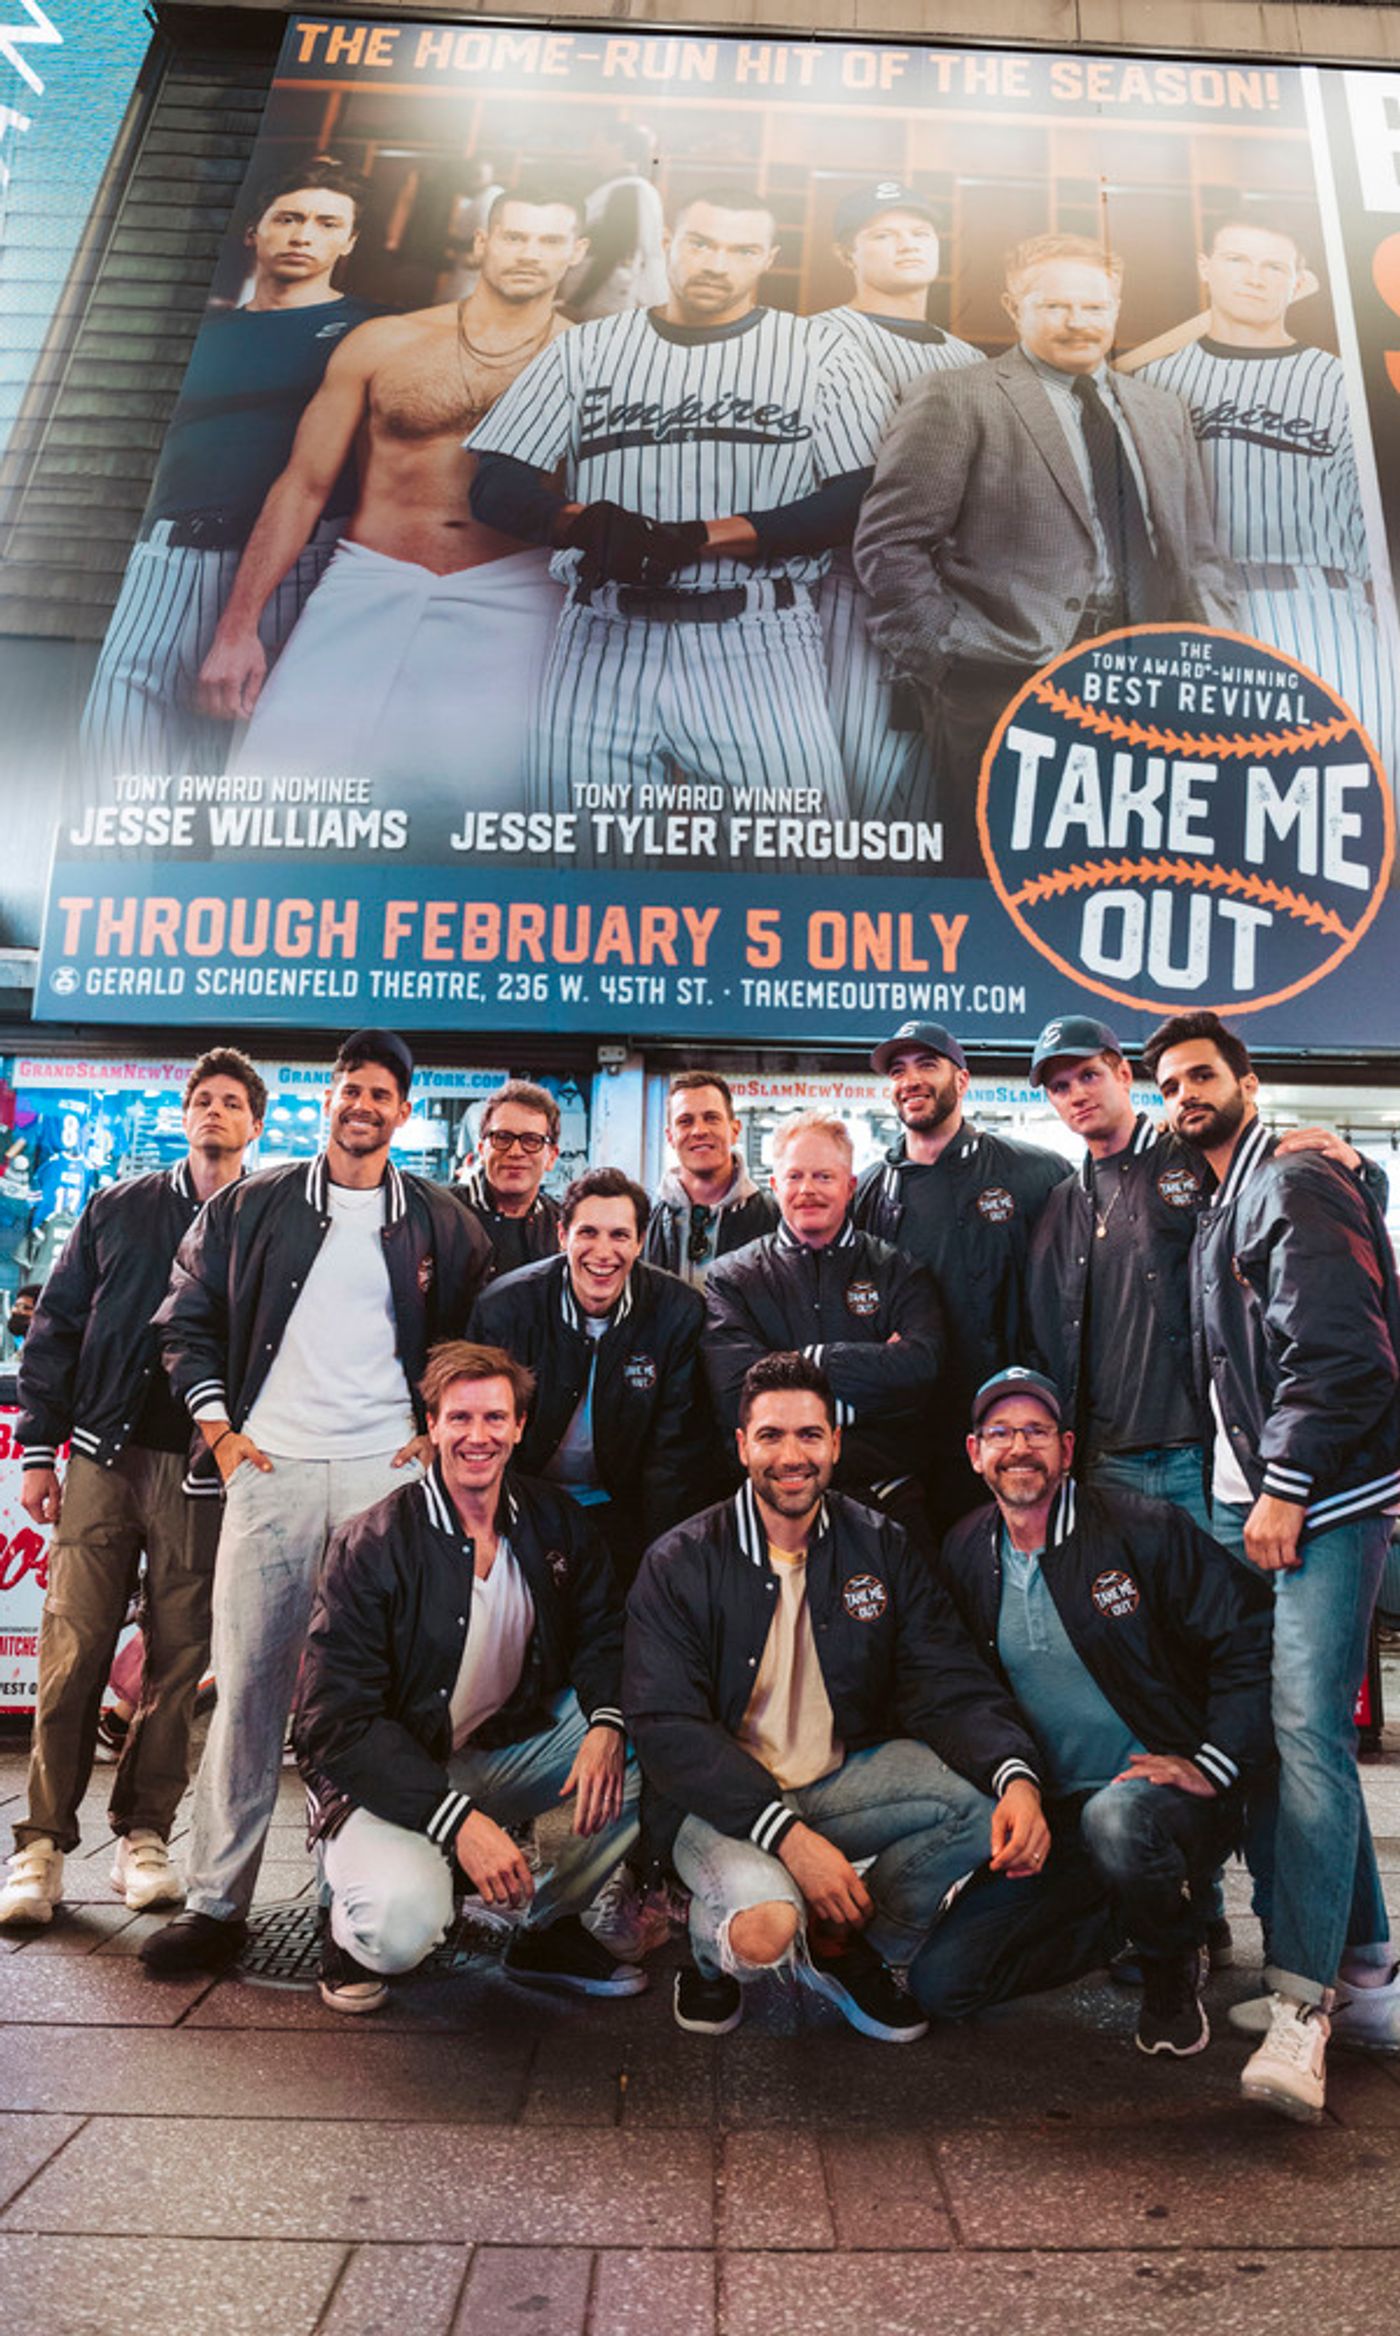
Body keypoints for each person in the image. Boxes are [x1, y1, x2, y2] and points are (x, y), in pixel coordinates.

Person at [139, 1030, 490, 1977]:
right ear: (326, 1100)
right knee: (251, 1685)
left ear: (404, 1111)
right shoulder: (253, 1206)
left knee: (372, 1696)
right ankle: (217, 1902)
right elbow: (185, 1320)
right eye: (348, 1089)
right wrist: (220, 1431)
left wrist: (431, 1429)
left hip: (387, 1477)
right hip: (274, 1467)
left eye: (380, 1092)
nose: (361, 1104)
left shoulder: (442, 1221)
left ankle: (349, 1902)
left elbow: (470, 1335)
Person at [624, 1351, 1048, 2040]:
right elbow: (666, 1727)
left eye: (809, 1435)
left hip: (834, 1781)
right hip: (717, 1807)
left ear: (836, 1443)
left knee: (982, 1805)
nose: (792, 1456)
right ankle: (709, 1958)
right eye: (771, 1436)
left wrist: (1017, 1774)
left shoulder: (880, 1544)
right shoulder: (680, 1560)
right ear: (741, 1446)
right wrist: (786, 1838)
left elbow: (945, 1675)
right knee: (765, 1930)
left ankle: (849, 1947)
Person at [1143, 1009, 1400, 2120]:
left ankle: (1303, 2008)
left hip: (1320, 1500)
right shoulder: (1243, 1183)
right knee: (1292, 1742)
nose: (1182, 1092)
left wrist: (1286, 1483)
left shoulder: (1287, 1174)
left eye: (1201, 1072)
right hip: (1264, 1498)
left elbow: (1343, 1351)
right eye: (1169, 1081)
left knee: (1303, 1739)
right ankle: (1370, 1976)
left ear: (1246, 1080)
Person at [468, 189, 880, 833]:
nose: (717, 263)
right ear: (669, 243)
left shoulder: (820, 352)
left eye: (741, 249)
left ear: (768, 258)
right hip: (601, 637)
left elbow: (857, 498)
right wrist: (582, 524)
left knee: (801, 866)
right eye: (701, 243)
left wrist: (705, 537)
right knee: (579, 878)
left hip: (759, 642)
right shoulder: (586, 348)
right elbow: (495, 483)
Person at [197, 186, 588, 831]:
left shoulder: (593, 360)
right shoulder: (385, 341)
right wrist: (237, 629)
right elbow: (302, 485)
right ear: (484, 242)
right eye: (514, 236)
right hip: (369, 575)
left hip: (518, 591)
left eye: (549, 240)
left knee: (474, 807)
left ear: (576, 253)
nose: (530, 254)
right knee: (274, 795)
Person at [915, 1368, 1273, 2057]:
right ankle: (1134, 1914)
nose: (1019, 1448)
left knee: (1118, 1820)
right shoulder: (965, 1548)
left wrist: (1216, 1761)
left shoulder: (1142, 1528)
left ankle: (1170, 1958)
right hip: (1059, 1813)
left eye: (1036, 1432)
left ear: (1068, 1447)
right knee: (943, 1984)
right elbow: (954, 1688)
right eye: (1001, 1433)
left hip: (1163, 1799)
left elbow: (1249, 1633)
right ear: (973, 1452)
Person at [853, 232, 1238, 870]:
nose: (1078, 323)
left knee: (1121, 870)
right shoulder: (957, 395)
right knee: (996, 869)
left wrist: (1216, 658)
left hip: (1146, 679)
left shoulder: (1162, 411)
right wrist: (943, 656)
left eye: (1094, 307)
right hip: (998, 676)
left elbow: (1195, 554)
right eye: (1055, 306)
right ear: (1014, 307)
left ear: (1116, 307)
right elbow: (890, 543)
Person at [295, 1342, 644, 2012]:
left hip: (499, 1747)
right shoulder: (373, 1543)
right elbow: (333, 1721)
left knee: (645, 1737)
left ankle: (546, 1927)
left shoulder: (553, 1521)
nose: (476, 1436)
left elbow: (606, 1629)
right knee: (397, 1933)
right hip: (388, 1768)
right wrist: (456, 1820)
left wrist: (606, 1721)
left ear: (518, 1427)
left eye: (493, 1418)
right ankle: (341, 1911)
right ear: (431, 1426)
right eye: (459, 1419)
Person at [0, 1052, 266, 1928]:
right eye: (202, 1101)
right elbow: (57, 1326)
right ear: (185, 1116)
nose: (214, 1113)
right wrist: (38, 1449)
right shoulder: (120, 1206)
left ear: (255, 1126)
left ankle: (144, 1835)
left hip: (202, 1471)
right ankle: (39, 1845)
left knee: (181, 1662)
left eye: (231, 1103)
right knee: (73, 1652)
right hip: (102, 1458)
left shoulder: (267, 1221)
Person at [80, 157, 372, 779]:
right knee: (112, 768)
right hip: (163, 560)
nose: (302, 235)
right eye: (288, 218)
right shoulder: (204, 333)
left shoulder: (370, 331)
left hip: (291, 566)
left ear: (349, 241)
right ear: (254, 232)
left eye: (326, 223)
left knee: (228, 781)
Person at [1129, 218, 1398, 787]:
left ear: (1297, 281)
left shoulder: (1345, 383)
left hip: (1323, 609)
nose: (1254, 279)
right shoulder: (1152, 383)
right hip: (1190, 611)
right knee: (1205, 797)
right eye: (1237, 261)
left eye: (1273, 267)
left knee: (1349, 788)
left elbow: (1374, 521)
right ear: (1206, 267)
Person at [855, 1020, 1068, 1530]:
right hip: (904, 1440)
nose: (911, 1080)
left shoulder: (1036, 1173)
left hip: (1007, 1434)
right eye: (899, 1070)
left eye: (927, 1065)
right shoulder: (867, 1191)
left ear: (963, 1080)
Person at [821, 181, 983, 820]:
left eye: (919, 233)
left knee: (924, 797)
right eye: (882, 234)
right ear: (847, 254)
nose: (905, 245)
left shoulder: (967, 358)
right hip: (847, 590)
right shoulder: (814, 340)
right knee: (852, 786)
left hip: (950, 598)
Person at [468, 1167, 712, 1587]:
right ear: (563, 1236)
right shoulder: (504, 1308)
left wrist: (660, 1560)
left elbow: (673, 1453)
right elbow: (482, 1428)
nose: (603, 1252)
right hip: (523, 1504)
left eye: (619, 1235)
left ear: (640, 1242)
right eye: (588, 1233)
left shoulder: (678, 1311)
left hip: (623, 1508)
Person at [703, 1113, 943, 1539]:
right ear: (775, 1187)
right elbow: (736, 1393)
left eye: (823, 1176)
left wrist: (805, 1361)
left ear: (850, 1187)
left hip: (887, 1499)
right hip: (775, 1501)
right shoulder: (732, 1279)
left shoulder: (899, 1270)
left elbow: (920, 1373)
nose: (807, 1190)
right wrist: (872, 1374)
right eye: (794, 1176)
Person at [644, 1072, 778, 1287]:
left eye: (711, 1118)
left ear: (735, 1130)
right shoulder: (646, 1222)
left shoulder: (774, 1219)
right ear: (670, 1137)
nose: (699, 1130)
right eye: (685, 1121)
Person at [455, 1080, 562, 1281]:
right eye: (503, 1137)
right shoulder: (442, 1214)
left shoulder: (563, 1227)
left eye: (531, 1140)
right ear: (481, 1150)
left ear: (552, 1157)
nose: (515, 1152)